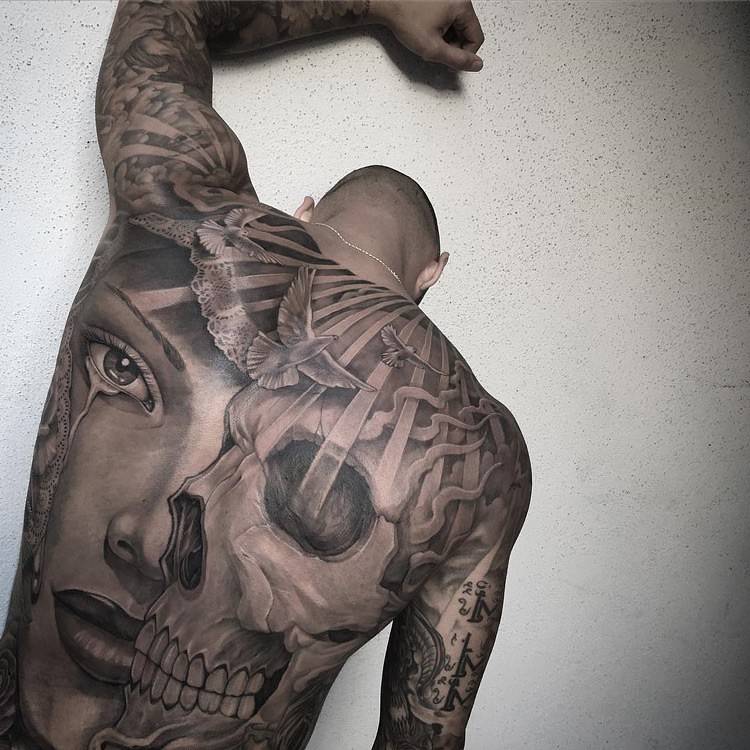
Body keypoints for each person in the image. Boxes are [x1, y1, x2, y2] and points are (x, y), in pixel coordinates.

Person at [0, 2, 531, 749]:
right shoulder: (487, 458)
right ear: (429, 277)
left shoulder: (174, 195)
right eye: (127, 372)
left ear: (304, 210)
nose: (149, 544)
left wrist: (380, 2)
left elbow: (165, 7)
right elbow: (421, 740)